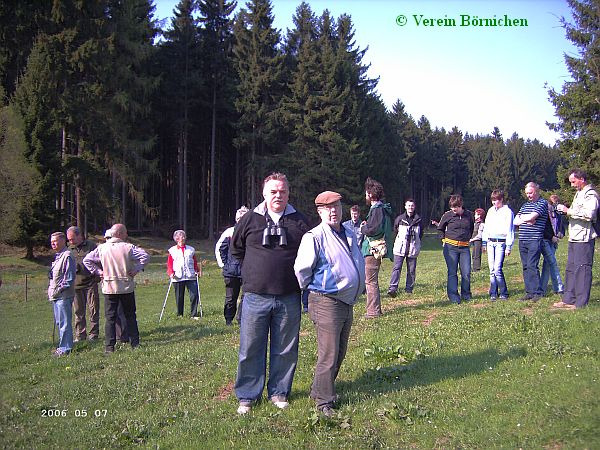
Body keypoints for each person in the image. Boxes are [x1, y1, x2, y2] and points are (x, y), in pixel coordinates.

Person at [231, 173, 309, 414]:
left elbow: (310, 252)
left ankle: (279, 392)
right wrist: (255, 271)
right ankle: (247, 395)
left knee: (285, 348)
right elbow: (236, 249)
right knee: (250, 347)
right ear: (264, 194)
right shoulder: (250, 220)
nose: (278, 195)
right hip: (256, 296)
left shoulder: (299, 221)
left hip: (289, 296)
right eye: (273, 191)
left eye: (282, 191)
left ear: (288, 193)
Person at [294, 191, 365, 417]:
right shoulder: (314, 236)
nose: (333, 211)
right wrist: (316, 287)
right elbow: (302, 270)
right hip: (326, 301)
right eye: (328, 208)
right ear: (320, 212)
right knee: (329, 353)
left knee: (340, 351)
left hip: (346, 301)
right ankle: (324, 403)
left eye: (336, 206)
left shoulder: (349, 232)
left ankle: (318, 390)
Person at [83, 224, 149, 354]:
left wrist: (98, 272)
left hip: (109, 287)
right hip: (126, 287)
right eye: (125, 233)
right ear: (119, 234)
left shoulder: (101, 248)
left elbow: (87, 260)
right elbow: (145, 256)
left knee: (110, 318)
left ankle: (109, 347)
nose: (126, 235)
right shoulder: (128, 247)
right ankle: (135, 343)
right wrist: (136, 269)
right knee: (130, 316)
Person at [553, 169, 599, 310]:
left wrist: (568, 211)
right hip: (574, 237)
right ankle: (568, 299)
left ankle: (580, 303)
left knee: (582, 270)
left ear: (582, 179)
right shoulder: (579, 194)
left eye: (573, 181)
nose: (572, 185)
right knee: (571, 269)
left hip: (584, 238)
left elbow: (590, 214)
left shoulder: (591, 195)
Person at [360, 177, 393, 318]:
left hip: (372, 250)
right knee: (371, 281)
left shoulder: (377, 209)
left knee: (370, 281)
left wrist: (363, 228)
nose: (365, 196)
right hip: (373, 249)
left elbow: (374, 229)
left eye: (366, 193)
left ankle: (373, 312)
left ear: (371, 194)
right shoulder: (378, 209)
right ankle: (375, 310)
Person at [435, 194, 474, 304]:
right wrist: (443, 240)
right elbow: (440, 229)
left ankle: (466, 294)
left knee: (466, 272)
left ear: (461, 205)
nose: (453, 209)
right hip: (450, 248)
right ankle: (453, 296)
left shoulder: (469, 215)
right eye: (451, 207)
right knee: (452, 272)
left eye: (455, 207)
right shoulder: (448, 215)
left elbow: (471, 228)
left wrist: (467, 238)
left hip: (464, 247)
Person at [514, 182, 548, 302]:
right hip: (522, 239)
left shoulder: (543, 203)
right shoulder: (524, 205)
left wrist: (526, 218)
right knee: (525, 266)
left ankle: (537, 292)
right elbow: (515, 221)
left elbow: (530, 217)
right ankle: (529, 292)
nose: (529, 195)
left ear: (536, 191)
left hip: (534, 239)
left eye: (531, 193)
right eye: (527, 193)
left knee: (532, 265)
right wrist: (527, 220)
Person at [215, 206, 249, 325]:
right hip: (231, 272)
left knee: (246, 297)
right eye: (240, 217)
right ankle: (228, 319)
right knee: (231, 297)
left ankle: (241, 319)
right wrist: (224, 265)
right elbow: (220, 248)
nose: (241, 219)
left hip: (247, 271)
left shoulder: (251, 232)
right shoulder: (229, 232)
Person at [67, 226, 100, 342]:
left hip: (90, 283)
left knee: (93, 310)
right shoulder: (69, 249)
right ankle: (80, 335)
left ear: (79, 235)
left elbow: (100, 261)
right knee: (78, 312)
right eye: (69, 240)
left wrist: (97, 277)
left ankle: (93, 334)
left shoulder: (91, 246)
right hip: (76, 285)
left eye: (72, 239)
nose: (71, 242)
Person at [482, 190, 514, 301]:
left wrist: (509, 246)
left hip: (501, 243)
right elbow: (486, 227)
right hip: (490, 242)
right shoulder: (490, 211)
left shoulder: (507, 212)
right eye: (493, 200)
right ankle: (493, 292)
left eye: (496, 200)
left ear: (501, 200)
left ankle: (503, 291)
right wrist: (484, 242)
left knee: (497, 269)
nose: (494, 202)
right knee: (491, 269)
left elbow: (510, 229)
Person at [48, 232, 76, 357]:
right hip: (56, 296)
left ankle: (66, 349)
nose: (53, 243)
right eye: (51, 241)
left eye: (55, 241)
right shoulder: (58, 256)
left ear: (63, 241)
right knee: (60, 323)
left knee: (65, 323)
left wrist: (58, 290)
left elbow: (69, 278)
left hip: (63, 296)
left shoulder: (67, 255)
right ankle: (62, 346)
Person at [387, 198, 423, 297]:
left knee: (411, 270)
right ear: (405, 207)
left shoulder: (418, 220)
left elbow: (421, 234)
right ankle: (393, 288)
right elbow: (395, 232)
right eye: (408, 205)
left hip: (412, 249)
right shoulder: (399, 219)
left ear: (414, 207)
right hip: (400, 248)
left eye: (412, 205)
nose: (410, 207)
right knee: (396, 268)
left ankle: (409, 289)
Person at [167, 230, 201, 319]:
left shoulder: (191, 249)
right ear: (177, 239)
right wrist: (171, 273)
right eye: (181, 236)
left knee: (194, 295)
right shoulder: (172, 250)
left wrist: (197, 270)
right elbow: (170, 264)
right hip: (177, 276)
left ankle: (194, 314)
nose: (183, 238)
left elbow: (194, 262)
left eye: (184, 236)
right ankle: (180, 314)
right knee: (179, 296)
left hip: (191, 275)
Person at [540, 194, 565, 296]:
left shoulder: (557, 213)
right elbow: (543, 228)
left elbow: (560, 225)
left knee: (548, 264)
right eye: (553, 204)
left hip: (554, 242)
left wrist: (561, 233)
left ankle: (542, 288)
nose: (554, 206)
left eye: (556, 203)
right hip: (546, 240)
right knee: (552, 263)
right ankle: (559, 288)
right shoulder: (545, 213)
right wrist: (551, 237)